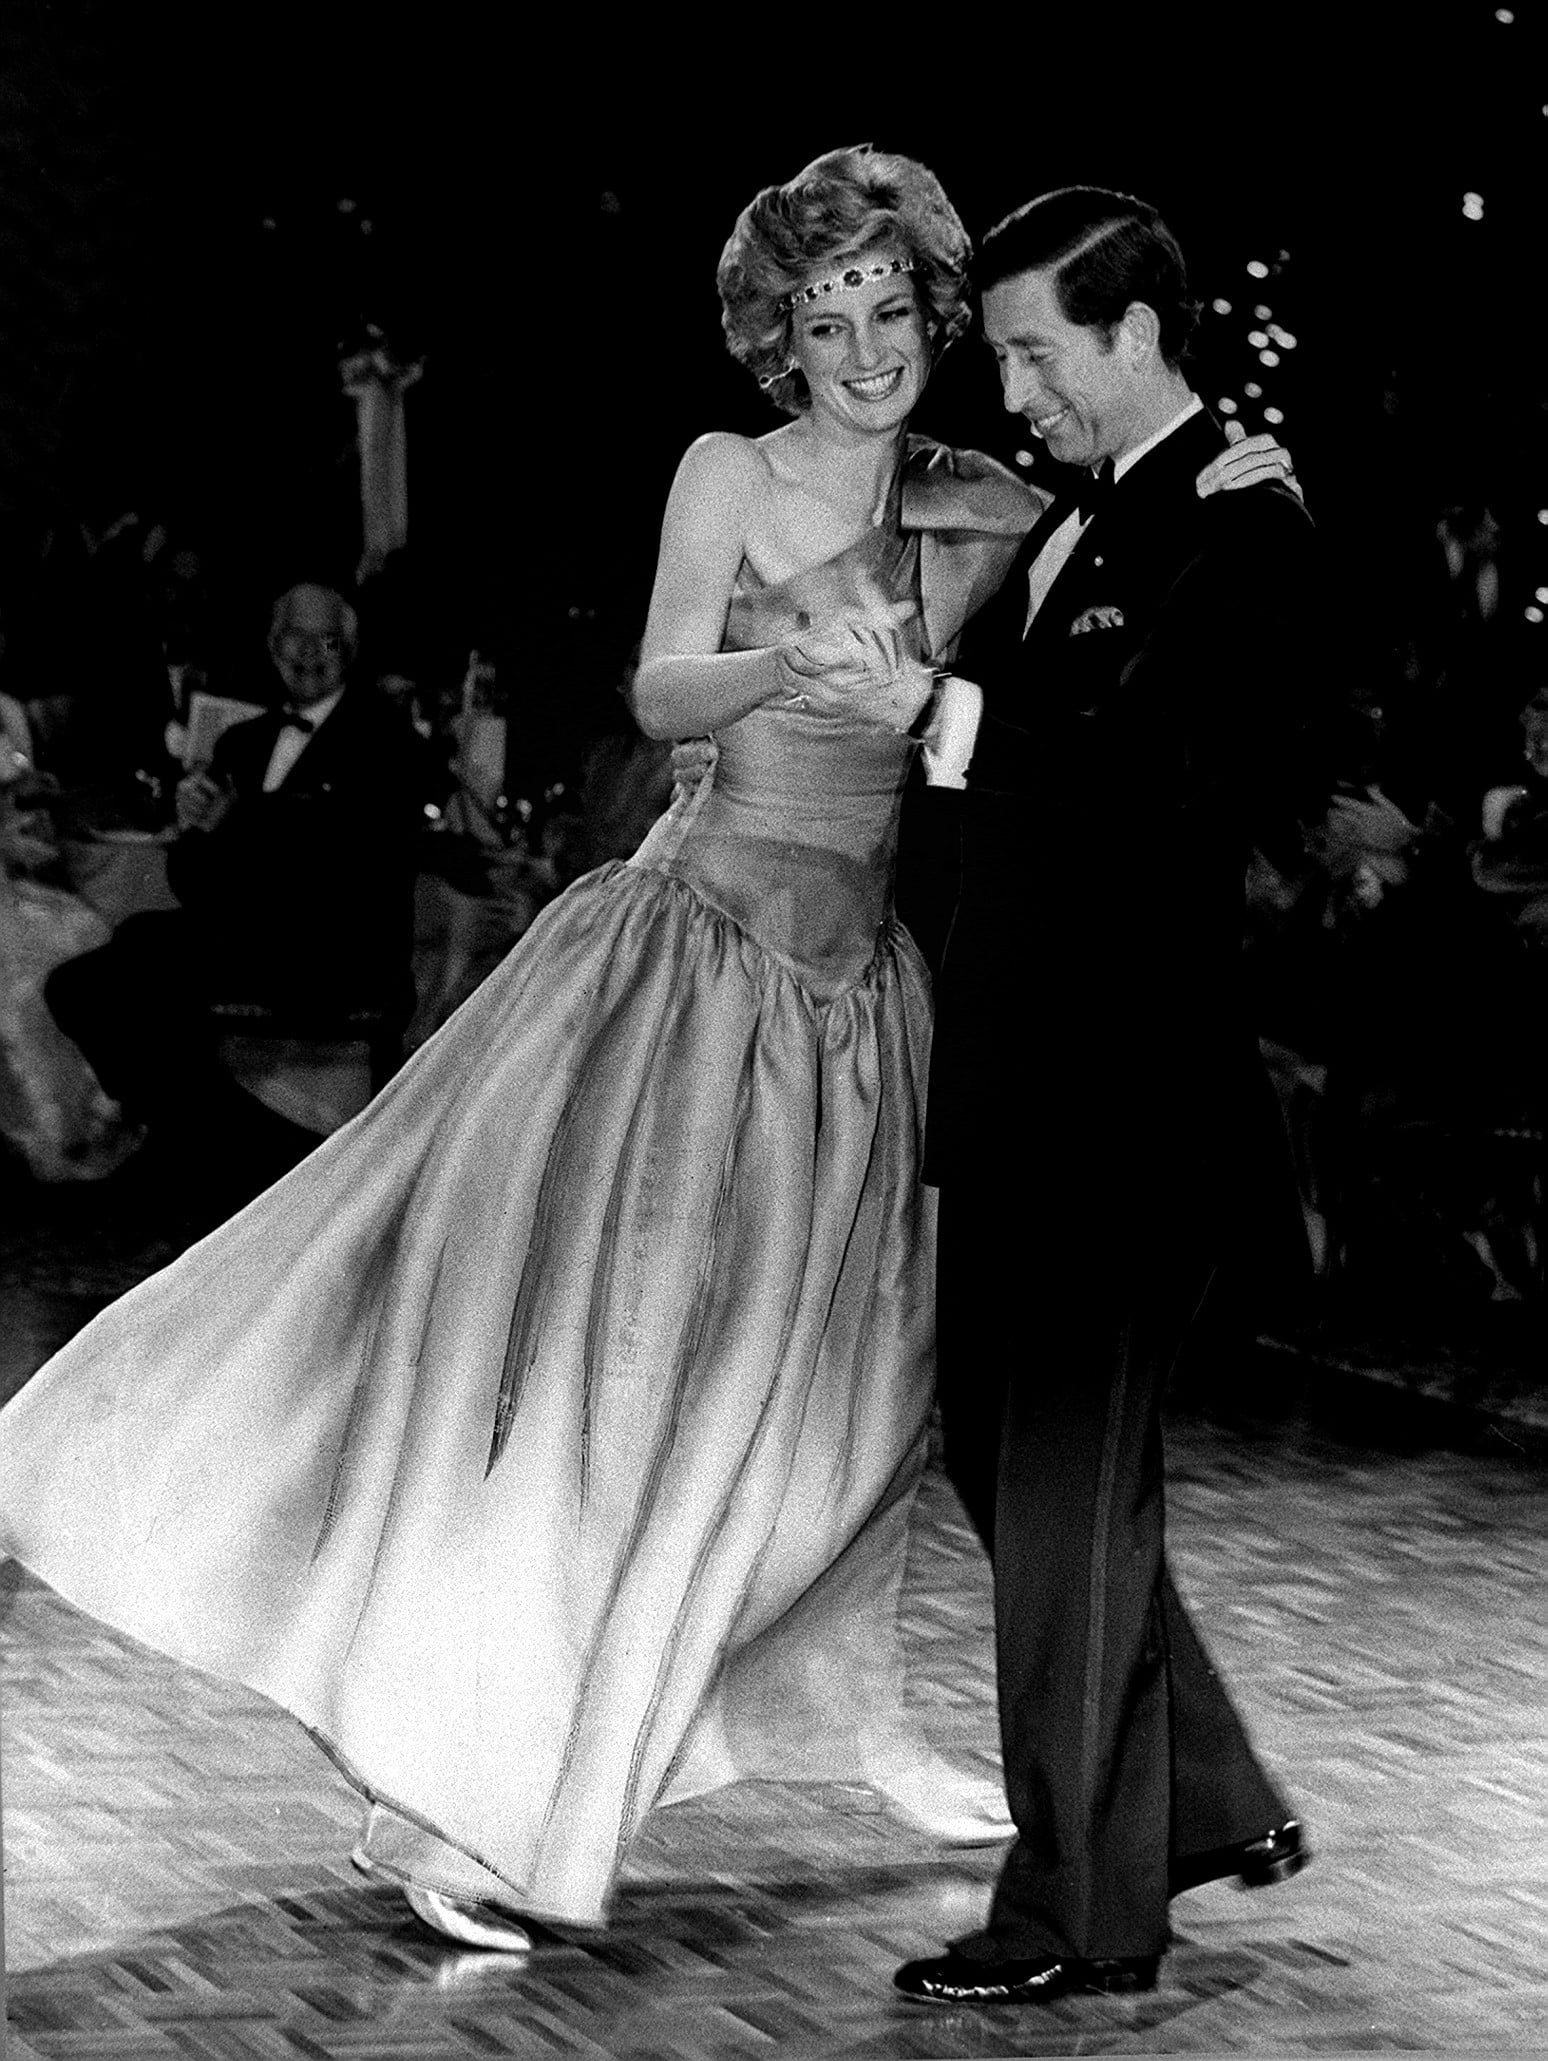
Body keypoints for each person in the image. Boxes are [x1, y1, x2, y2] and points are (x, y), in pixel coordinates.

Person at [0, 149, 1287, 1958]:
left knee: (844, 1422)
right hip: (694, 974)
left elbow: (1124, 607)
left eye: (889, 312)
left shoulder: (989, 497)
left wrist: (1247, 471)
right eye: (820, 317)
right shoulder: (728, 473)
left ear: (931, 317)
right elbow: (656, 690)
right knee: (611, 1391)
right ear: (782, 332)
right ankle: (467, 1787)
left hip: (864, 1013)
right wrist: (802, 671)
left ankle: (865, 1723)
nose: (859, 347)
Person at [881, 188, 1323, 2009]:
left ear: (1134, 338)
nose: (1013, 385)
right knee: (1004, 1448)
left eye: (1036, 350)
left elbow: (1175, 778)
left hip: (1115, 1104)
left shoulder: (1245, 522)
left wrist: (956, 719)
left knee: (1059, 1488)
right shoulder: (1087, 509)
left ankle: (1075, 1911)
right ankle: (1196, 1795)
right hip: (1025, 1083)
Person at [43, 582, 428, 1170]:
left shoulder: (386, 741)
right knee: (82, 983)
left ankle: (221, 1153)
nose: (306, 654)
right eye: (291, 638)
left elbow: (349, 863)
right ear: (273, 649)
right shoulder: (240, 742)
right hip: (244, 940)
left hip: (333, 949)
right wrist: (193, 826)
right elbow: (194, 880)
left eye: (324, 640)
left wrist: (242, 821)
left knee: (145, 969)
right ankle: (223, 1143)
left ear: (349, 651)